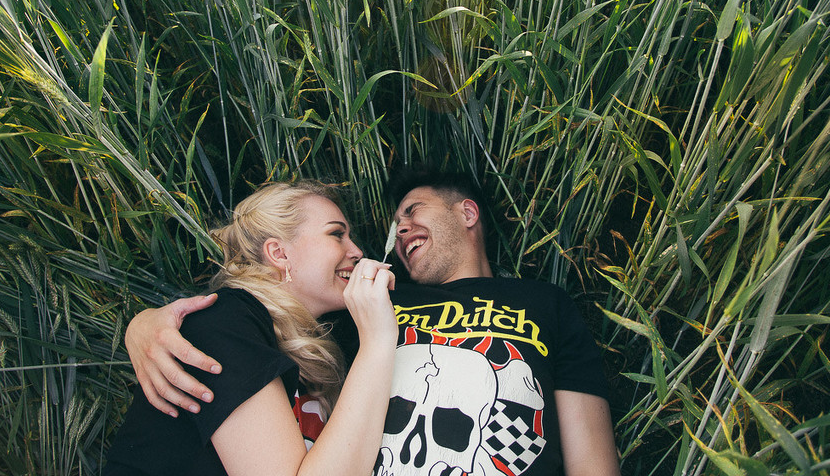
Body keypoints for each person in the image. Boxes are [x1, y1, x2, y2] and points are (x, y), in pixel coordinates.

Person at [125, 170, 621, 476]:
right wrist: (145, 326)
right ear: (278, 252)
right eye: (338, 234)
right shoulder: (361, 311)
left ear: (467, 213)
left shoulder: (546, 303)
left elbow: (591, 458)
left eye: (413, 210)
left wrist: (143, 327)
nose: (397, 230)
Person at [104, 181, 397, 476]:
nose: (357, 251)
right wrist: (377, 341)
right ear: (279, 253)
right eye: (336, 234)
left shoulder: (326, 336)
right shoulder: (226, 322)